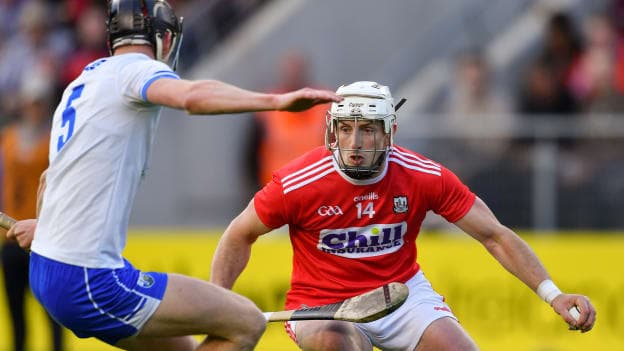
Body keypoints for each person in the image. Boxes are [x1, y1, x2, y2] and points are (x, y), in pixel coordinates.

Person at [5, 1, 341, 351]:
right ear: (159, 36)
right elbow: (193, 97)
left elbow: (50, 178)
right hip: (88, 278)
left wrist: (47, 227)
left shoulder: (83, 83)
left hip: (50, 268)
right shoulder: (135, 71)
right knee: (246, 322)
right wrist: (278, 101)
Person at [210, 81, 596, 351]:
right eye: (345, 129)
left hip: (402, 296)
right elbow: (238, 234)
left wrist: (554, 294)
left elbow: (493, 235)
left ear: (389, 131)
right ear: (332, 131)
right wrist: (218, 306)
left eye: (367, 130)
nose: (355, 143)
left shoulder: (423, 175)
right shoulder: (299, 181)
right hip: (321, 305)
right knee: (337, 343)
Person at [1, 77, 64, 351]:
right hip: (11, 234)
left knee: (53, 312)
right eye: (30, 103)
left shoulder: (54, 140)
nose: (33, 108)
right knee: (16, 314)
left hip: (43, 237)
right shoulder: (10, 138)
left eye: (38, 103)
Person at [247, 50, 330, 188]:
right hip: (276, 190)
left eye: (297, 72)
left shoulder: (325, 105)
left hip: (316, 188)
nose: (294, 77)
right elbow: (251, 155)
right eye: (290, 73)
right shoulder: (267, 109)